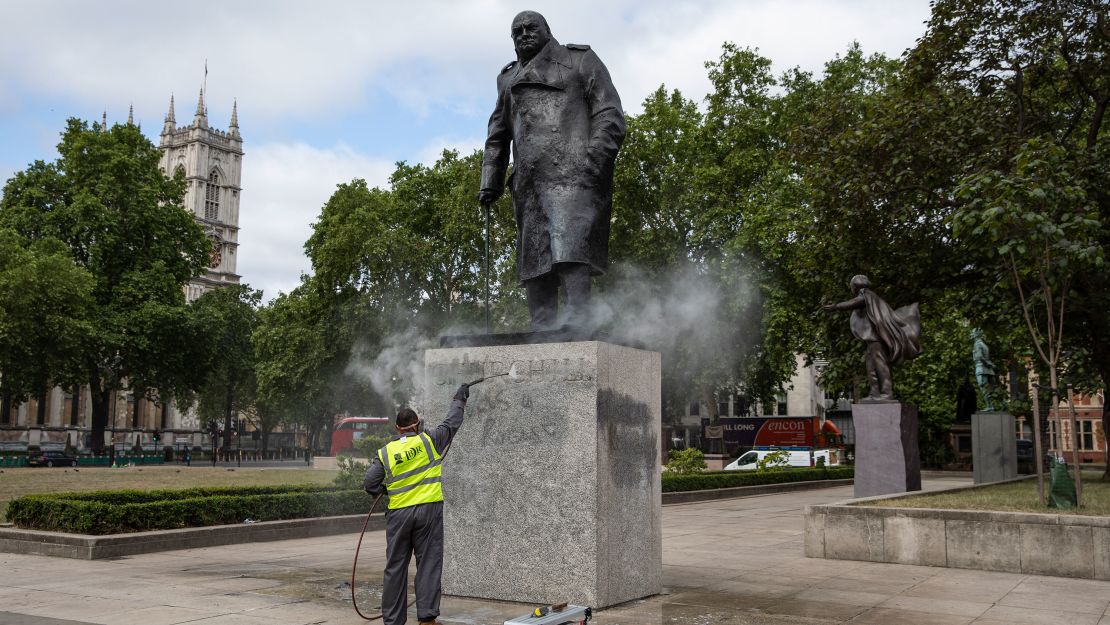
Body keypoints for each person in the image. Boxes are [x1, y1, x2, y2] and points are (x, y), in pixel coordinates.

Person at [477, 10, 626, 330]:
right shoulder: (508, 78)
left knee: (571, 254)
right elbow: (497, 135)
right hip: (529, 185)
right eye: (516, 31)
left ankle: (579, 330)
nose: (523, 34)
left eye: (531, 28)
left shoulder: (580, 61)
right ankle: (542, 335)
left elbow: (610, 115)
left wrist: (592, 163)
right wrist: (491, 180)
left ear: (547, 31)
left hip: (574, 177)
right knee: (536, 265)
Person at [362, 383, 470, 625]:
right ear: (417, 424)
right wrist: (459, 399)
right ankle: (427, 619)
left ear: (397, 429)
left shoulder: (386, 452)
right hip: (428, 512)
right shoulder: (430, 440)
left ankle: (393, 621)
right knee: (429, 564)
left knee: (395, 568)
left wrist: (384, 489)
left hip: (399, 515)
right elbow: (451, 422)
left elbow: (369, 483)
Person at [823, 275, 921, 401]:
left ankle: (886, 393)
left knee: (880, 364)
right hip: (872, 341)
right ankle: (874, 392)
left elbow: (854, 302)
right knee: (871, 367)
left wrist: (836, 306)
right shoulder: (871, 297)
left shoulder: (867, 295)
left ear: (855, 286)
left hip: (876, 340)